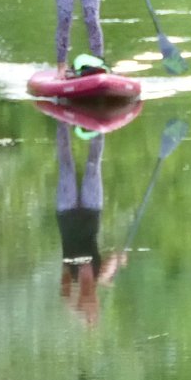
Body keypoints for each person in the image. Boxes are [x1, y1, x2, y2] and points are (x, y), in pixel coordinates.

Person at [55, 125, 130, 325]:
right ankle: (99, 122)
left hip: (66, 212)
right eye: (95, 305)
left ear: (81, 302)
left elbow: (64, 297)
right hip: (91, 210)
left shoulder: (70, 279)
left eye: (88, 306)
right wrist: (120, 258)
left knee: (66, 166)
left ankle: (60, 116)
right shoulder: (101, 275)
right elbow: (115, 257)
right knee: (93, 164)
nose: (92, 302)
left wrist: (77, 313)